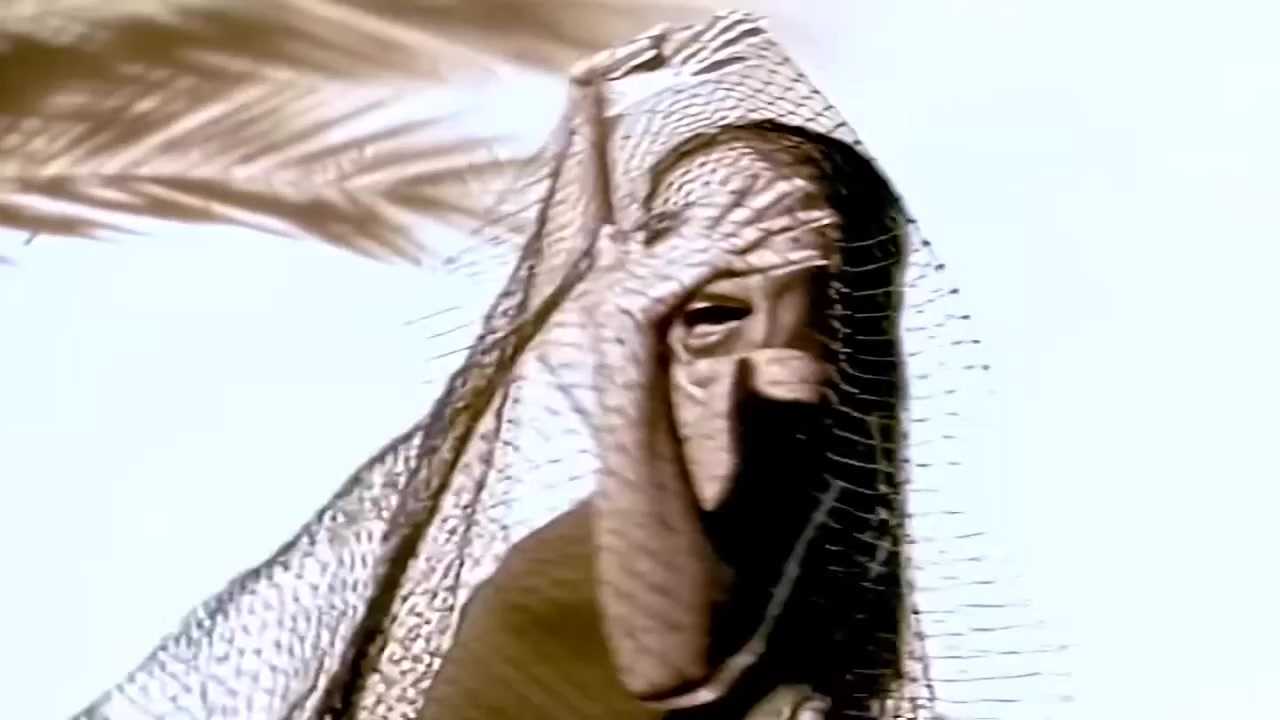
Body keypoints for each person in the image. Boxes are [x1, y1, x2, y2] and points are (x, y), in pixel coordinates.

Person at [73, 11, 985, 720]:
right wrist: (596, 117)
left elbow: (667, 660)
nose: (687, 264)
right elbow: (576, 287)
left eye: (739, 245)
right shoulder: (653, 454)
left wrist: (637, 329)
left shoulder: (779, 460)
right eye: (677, 244)